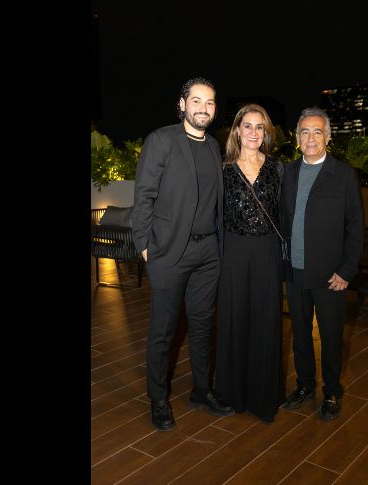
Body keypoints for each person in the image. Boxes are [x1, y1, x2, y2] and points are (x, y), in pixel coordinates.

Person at [132, 77, 233, 431]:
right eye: (197, 101)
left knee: (203, 325)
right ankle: (158, 399)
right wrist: (144, 245)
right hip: (169, 251)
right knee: (164, 330)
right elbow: (143, 195)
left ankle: (201, 391)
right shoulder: (161, 140)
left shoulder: (213, 147)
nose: (203, 108)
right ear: (182, 104)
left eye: (210, 102)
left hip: (208, 251)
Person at [280, 107, 364, 421]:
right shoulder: (286, 173)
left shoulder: (342, 174)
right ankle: (304, 386)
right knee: (300, 334)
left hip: (331, 276)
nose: (311, 138)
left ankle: (331, 391)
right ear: (297, 138)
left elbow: (356, 226)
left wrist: (346, 270)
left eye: (317, 131)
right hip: (295, 272)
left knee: (330, 337)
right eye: (305, 132)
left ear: (327, 137)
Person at [215, 104, 286, 423]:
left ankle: (263, 397)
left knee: (266, 319)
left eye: (260, 127)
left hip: (267, 252)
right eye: (248, 126)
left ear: (266, 133)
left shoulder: (278, 169)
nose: (254, 132)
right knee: (234, 318)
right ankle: (233, 393)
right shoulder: (223, 170)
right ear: (237, 131)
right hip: (233, 251)